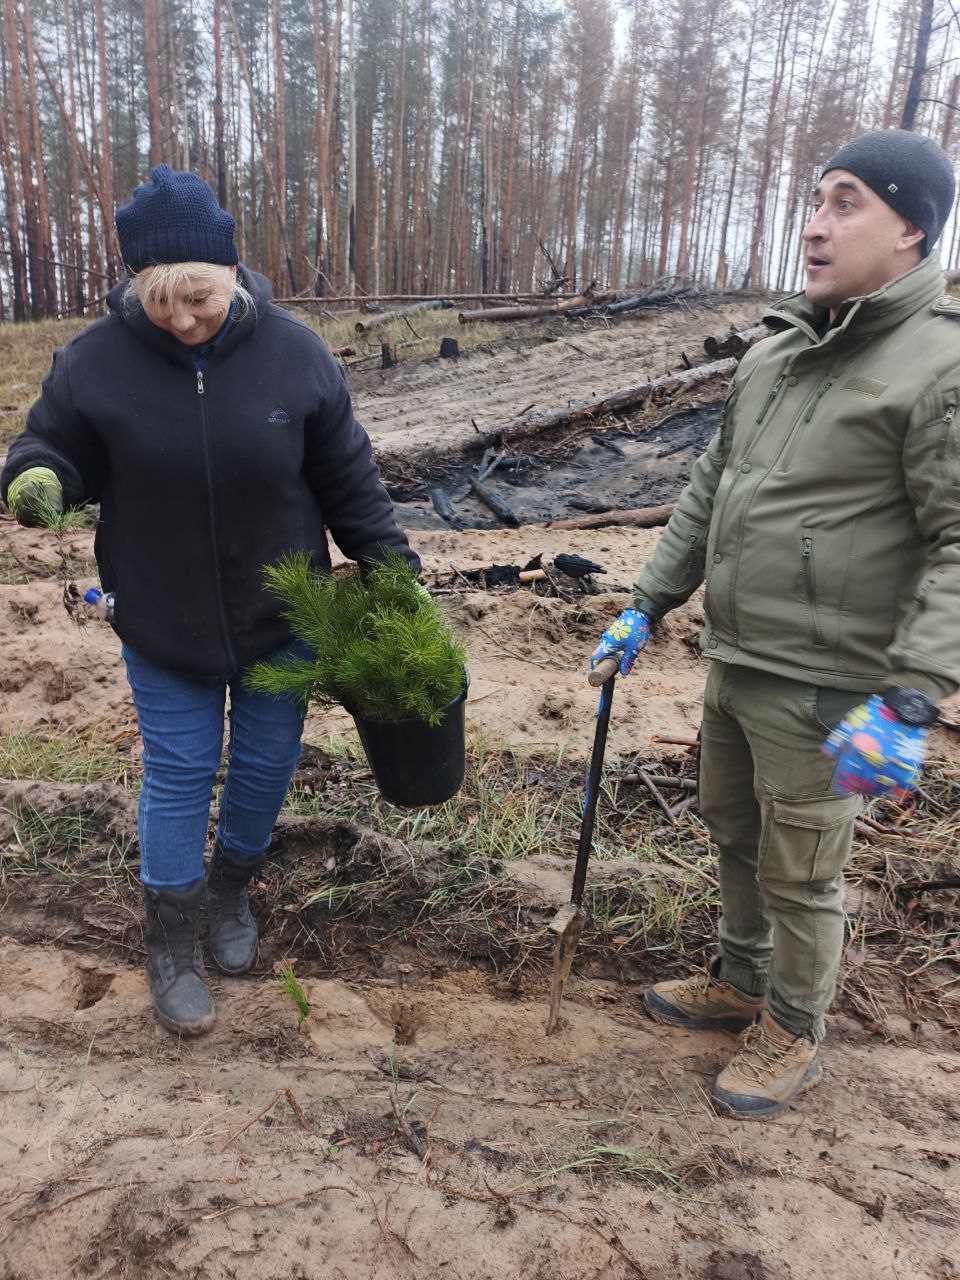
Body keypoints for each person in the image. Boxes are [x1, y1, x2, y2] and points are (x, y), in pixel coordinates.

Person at [591, 129, 960, 1119]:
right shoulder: (777, 351)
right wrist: (645, 602)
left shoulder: (936, 367)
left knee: (804, 872)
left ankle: (793, 1026)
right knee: (736, 831)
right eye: (816, 200)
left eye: (846, 203)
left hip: (829, 683)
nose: (815, 223)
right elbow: (712, 487)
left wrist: (912, 696)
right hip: (741, 656)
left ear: (913, 229)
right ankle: (742, 980)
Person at [1, 165, 419, 1038]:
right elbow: (51, 443)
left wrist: (392, 567)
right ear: (136, 293)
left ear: (231, 271)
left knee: (266, 769)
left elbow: (348, 477)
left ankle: (232, 892)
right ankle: (171, 941)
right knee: (181, 772)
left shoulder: (295, 354)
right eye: (162, 303)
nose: (184, 317)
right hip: (162, 617)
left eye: (198, 296)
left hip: (283, 618)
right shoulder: (93, 363)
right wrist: (36, 478)